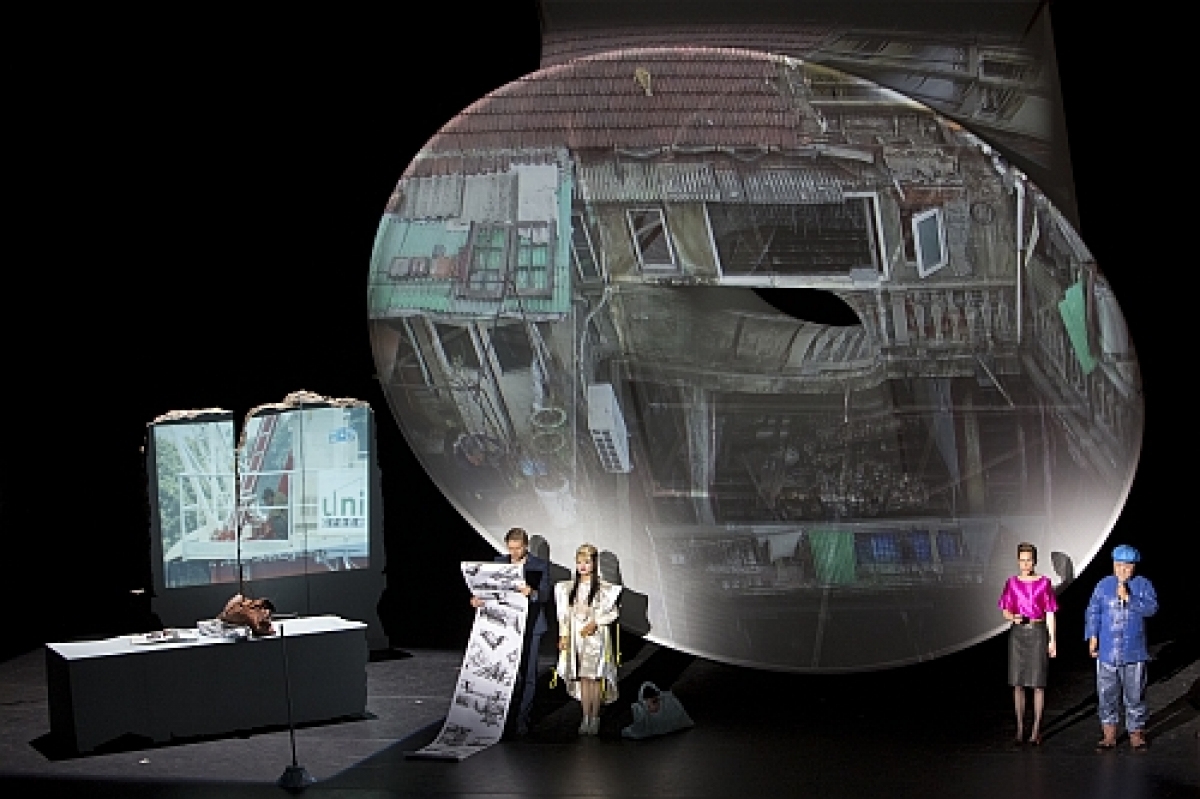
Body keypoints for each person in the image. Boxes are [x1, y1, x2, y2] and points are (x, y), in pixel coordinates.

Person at [469, 527, 550, 737]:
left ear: (526, 546)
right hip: (505, 625)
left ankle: (523, 720)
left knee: (529, 675)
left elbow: (545, 595)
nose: (514, 552)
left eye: (518, 548)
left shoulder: (539, 565)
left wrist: (532, 592)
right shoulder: (499, 563)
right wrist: (478, 600)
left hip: (531, 626)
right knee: (505, 674)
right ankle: (502, 719)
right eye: (511, 548)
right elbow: (489, 590)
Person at [1085, 544, 1158, 750]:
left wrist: (1129, 599)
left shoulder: (1143, 585)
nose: (1122, 570)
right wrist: (1092, 636)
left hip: (1134, 651)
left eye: (1127, 566)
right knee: (1106, 694)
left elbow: (1152, 608)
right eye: (1118, 565)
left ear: (1134, 566)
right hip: (1107, 651)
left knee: (1135, 694)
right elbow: (1093, 611)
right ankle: (1109, 734)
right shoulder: (1103, 585)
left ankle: (1136, 732)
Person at [555, 543, 622, 735]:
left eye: (586, 562)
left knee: (595, 677)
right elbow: (565, 615)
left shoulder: (603, 588)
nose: (582, 566)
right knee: (583, 677)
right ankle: (585, 717)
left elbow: (613, 613)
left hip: (595, 637)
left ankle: (595, 717)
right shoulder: (569, 588)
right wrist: (563, 635)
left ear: (594, 563)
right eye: (579, 562)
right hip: (577, 637)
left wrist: (596, 622)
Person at [997, 542, 1058, 745]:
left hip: (1038, 631)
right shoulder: (1012, 583)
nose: (1025, 564)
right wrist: (1013, 617)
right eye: (1022, 560)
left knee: (1038, 683)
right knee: (1018, 683)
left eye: (1028, 560)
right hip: (1018, 634)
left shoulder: (1044, 583)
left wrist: (1053, 639)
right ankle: (1020, 728)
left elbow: (1050, 612)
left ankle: (1036, 730)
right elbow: (1005, 610)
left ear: (1034, 561)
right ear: (1018, 561)